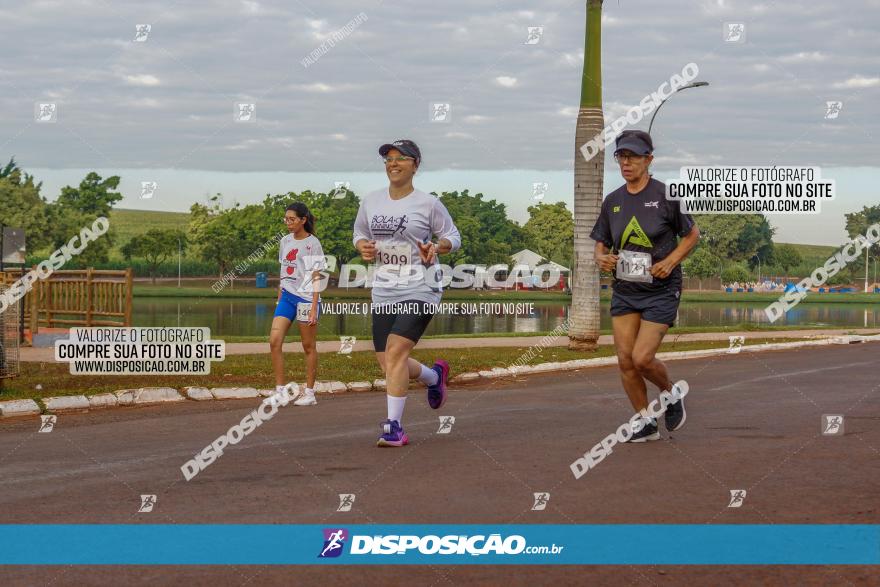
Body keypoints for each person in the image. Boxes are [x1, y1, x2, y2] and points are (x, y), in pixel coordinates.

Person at [589, 130, 700, 441]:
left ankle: (671, 393)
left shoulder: (666, 196)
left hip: (661, 290)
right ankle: (645, 421)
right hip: (625, 290)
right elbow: (600, 243)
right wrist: (602, 258)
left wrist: (672, 261)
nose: (626, 163)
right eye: (621, 157)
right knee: (625, 360)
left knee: (642, 358)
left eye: (633, 157)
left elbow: (692, 234)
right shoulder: (613, 201)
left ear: (649, 160)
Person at [353, 139, 461, 447]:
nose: (393, 163)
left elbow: (453, 235)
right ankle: (433, 376)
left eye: (401, 158)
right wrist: (363, 246)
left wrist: (438, 245)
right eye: (388, 159)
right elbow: (359, 233)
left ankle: (394, 427)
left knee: (396, 353)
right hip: (384, 289)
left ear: (415, 164)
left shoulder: (428, 203)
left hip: (421, 286)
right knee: (388, 364)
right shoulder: (371, 201)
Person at [269, 202, 327, 407]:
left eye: (292, 219)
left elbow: (317, 276)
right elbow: (283, 271)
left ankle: (309, 392)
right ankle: (280, 391)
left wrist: (313, 306)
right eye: (286, 219)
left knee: (308, 346)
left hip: (306, 299)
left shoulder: (313, 244)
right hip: (286, 298)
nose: (288, 223)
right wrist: (279, 297)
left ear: (303, 220)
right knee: (274, 340)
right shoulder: (285, 241)